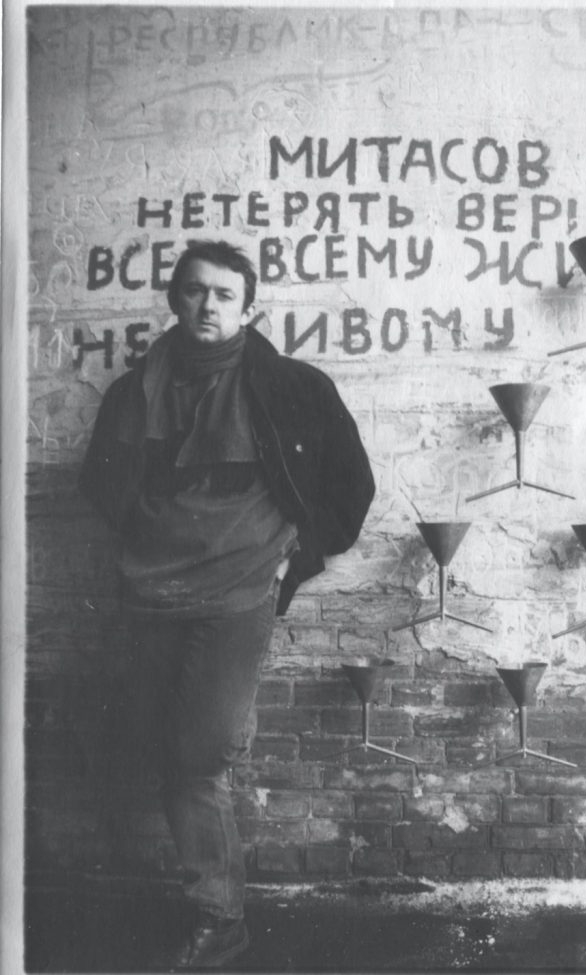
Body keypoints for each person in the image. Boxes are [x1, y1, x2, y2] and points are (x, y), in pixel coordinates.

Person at [79, 238, 375, 968]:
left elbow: (351, 486)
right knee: (152, 744)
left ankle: (220, 918)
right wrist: (145, 536)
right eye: (194, 291)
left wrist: (294, 557)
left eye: (222, 294)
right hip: (149, 589)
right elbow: (100, 483)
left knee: (199, 753)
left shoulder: (293, 389)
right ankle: (202, 900)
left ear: (249, 308)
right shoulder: (133, 390)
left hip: (236, 593)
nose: (207, 305)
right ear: (175, 300)